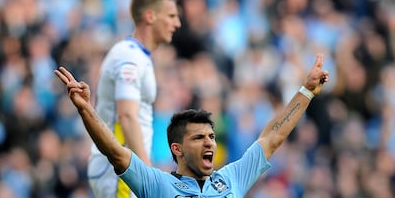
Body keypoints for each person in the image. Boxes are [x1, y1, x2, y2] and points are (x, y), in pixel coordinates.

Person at [54, 53, 329, 198]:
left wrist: (305, 91)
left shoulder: (230, 179)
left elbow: (272, 138)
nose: (210, 142)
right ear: (178, 149)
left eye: (210, 136)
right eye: (198, 138)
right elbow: (114, 151)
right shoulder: (156, 184)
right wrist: (86, 109)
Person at [87, 0, 181, 198]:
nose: (177, 23)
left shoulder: (138, 56)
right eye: (172, 16)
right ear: (150, 16)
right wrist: (148, 175)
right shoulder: (130, 58)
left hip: (124, 169)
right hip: (120, 171)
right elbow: (127, 115)